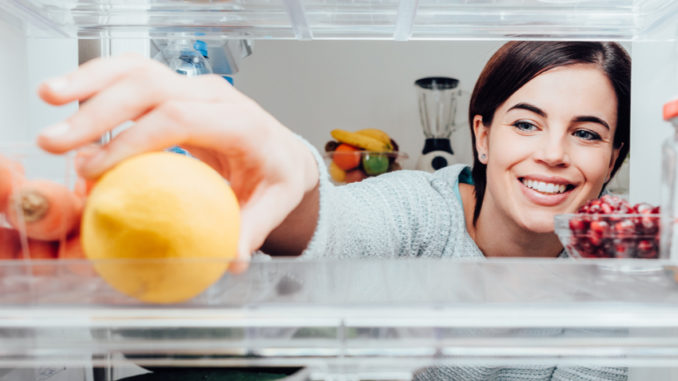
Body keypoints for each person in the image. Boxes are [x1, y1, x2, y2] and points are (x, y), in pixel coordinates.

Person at [36, 41, 630, 380]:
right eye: (525, 123)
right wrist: (291, 177)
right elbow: (339, 227)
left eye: (587, 133)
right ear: (482, 135)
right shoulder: (423, 210)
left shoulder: (614, 273)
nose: (552, 155)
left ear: (614, 158)